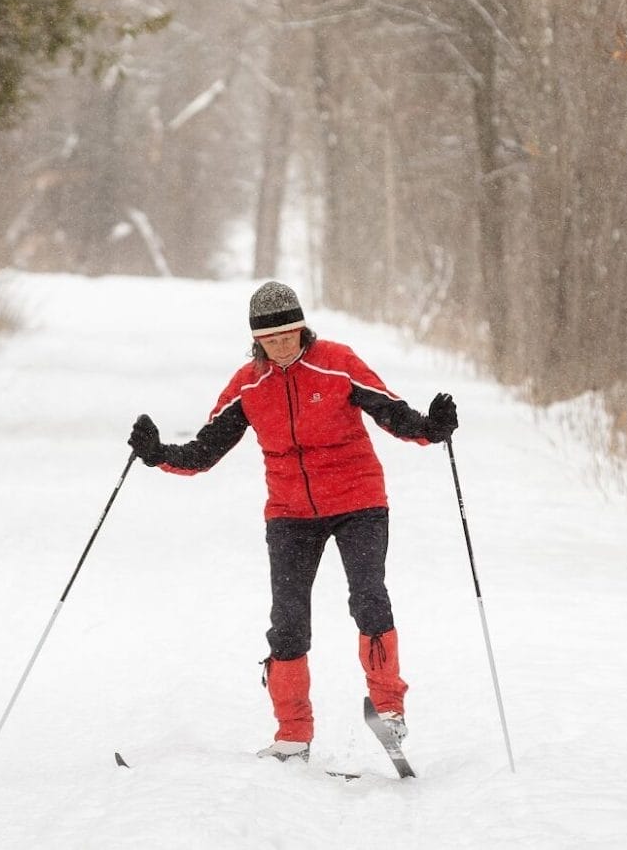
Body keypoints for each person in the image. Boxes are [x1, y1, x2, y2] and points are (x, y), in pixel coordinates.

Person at [126, 280, 459, 763]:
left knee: (368, 596)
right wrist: (157, 455)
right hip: (290, 514)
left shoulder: (338, 362)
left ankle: (388, 712)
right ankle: (292, 735)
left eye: (290, 333)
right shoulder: (248, 385)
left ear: (303, 328)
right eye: (271, 337)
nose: (282, 344)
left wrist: (432, 429)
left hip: (357, 500)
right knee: (287, 622)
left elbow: (391, 412)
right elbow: (204, 452)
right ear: (256, 340)